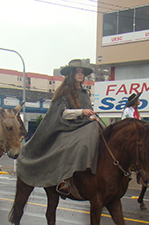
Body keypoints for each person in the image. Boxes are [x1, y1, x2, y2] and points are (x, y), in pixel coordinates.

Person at [16, 59, 100, 196]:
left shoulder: (85, 94)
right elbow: (61, 114)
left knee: (98, 128)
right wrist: (81, 112)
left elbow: (87, 112)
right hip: (65, 126)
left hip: (82, 125)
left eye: (82, 72)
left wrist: (91, 116)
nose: (81, 74)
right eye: (77, 72)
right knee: (79, 142)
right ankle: (66, 178)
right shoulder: (64, 92)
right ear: (71, 74)